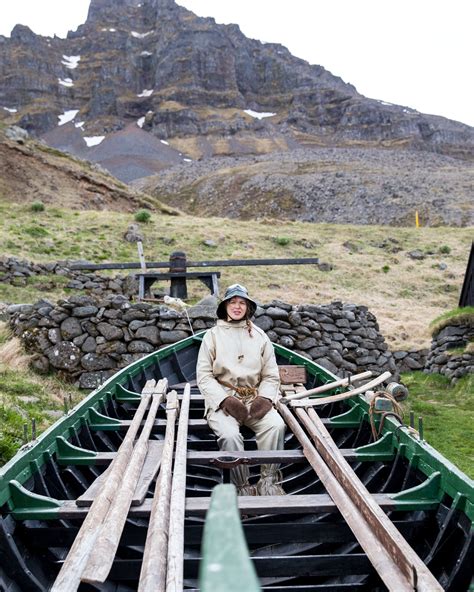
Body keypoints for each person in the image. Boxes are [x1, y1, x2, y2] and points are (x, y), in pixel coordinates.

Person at [196, 284, 286, 496]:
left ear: (248, 308)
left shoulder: (261, 336)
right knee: (229, 436)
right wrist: (224, 401)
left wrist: (265, 399)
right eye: (233, 302)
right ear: (225, 306)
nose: (237, 307)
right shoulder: (212, 336)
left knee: (276, 426)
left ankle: (269, 482)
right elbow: (204, 376)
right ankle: (242, 487)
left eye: (242, 303)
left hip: (254, 398)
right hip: (224, 400)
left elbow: (271, 375)